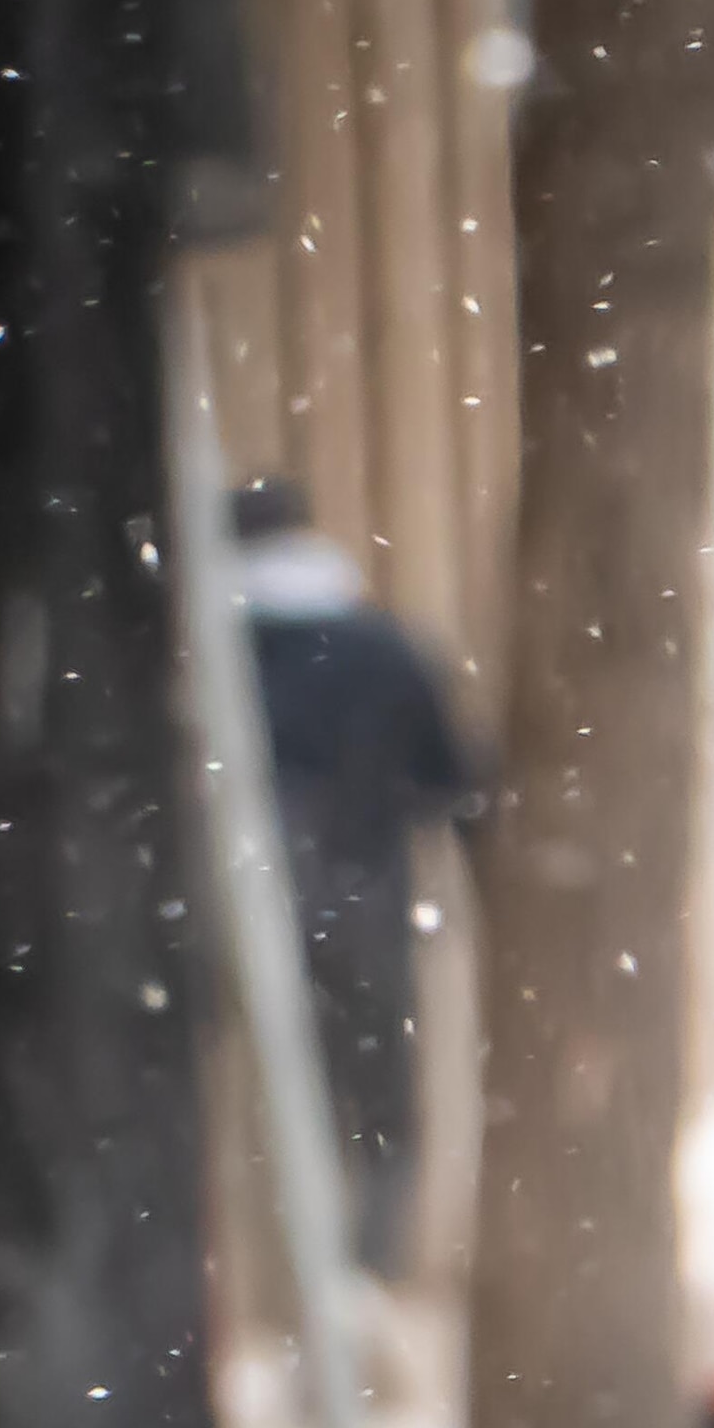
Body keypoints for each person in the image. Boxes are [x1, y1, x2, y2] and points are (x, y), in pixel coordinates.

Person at [233, 484, 479, 1274]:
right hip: (368, 905)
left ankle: (290, 1299)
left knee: (269, 1117)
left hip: (246, 917)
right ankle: (365, 1291)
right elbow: (458, 784)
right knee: (382, 1121)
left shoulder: (218, 660)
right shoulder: (384, 648)